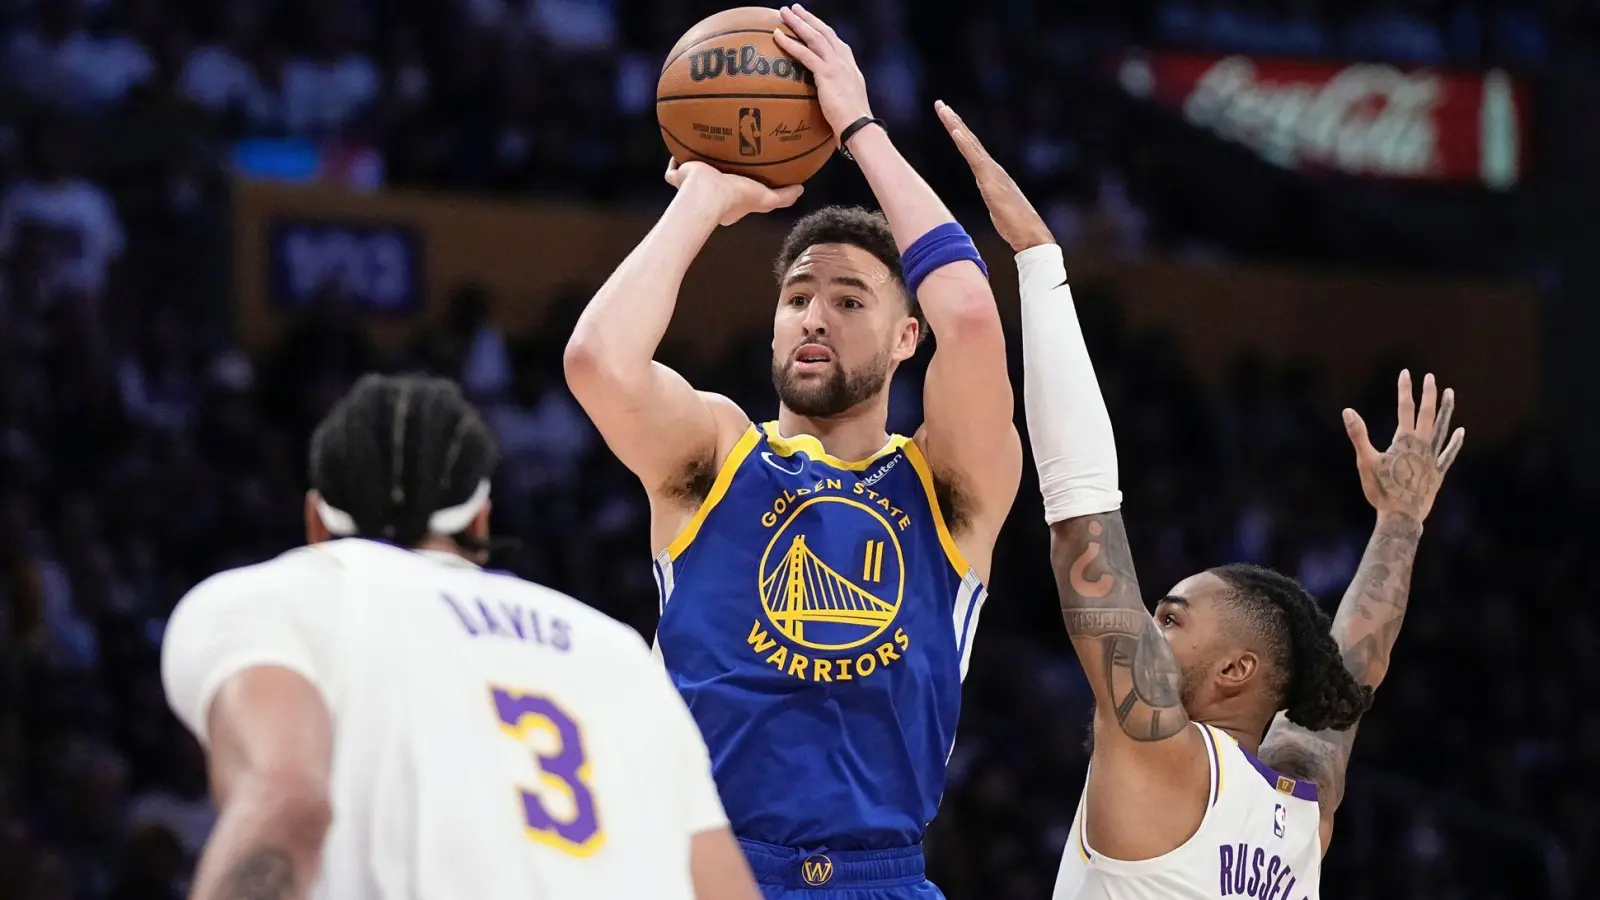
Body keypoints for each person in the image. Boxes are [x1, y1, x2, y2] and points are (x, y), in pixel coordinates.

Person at [935, 105, 1464, 900]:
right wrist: (1401, 523)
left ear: (1238, 669)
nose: (1149, 623)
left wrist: (1041, 264)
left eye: (1174, 617)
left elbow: (1084, 528)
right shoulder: (1303, 801)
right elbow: (1358, 662)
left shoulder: (1164, 761)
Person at [563, 7, 1021, 898]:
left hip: (875, 877)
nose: (814, 315)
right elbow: (596, 361)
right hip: (696, 865)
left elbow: (969, 313)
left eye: (850, 301)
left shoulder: (950, 486)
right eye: (798, 296)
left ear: (904, 340)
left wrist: (857, 129)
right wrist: (702, 197)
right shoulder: (714, 454)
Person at [160, 375, 759, 900]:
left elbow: (287, 801)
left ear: (317, 520)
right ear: (481, 519)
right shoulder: (616, 649)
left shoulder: (271, 599)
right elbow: (721, 885)